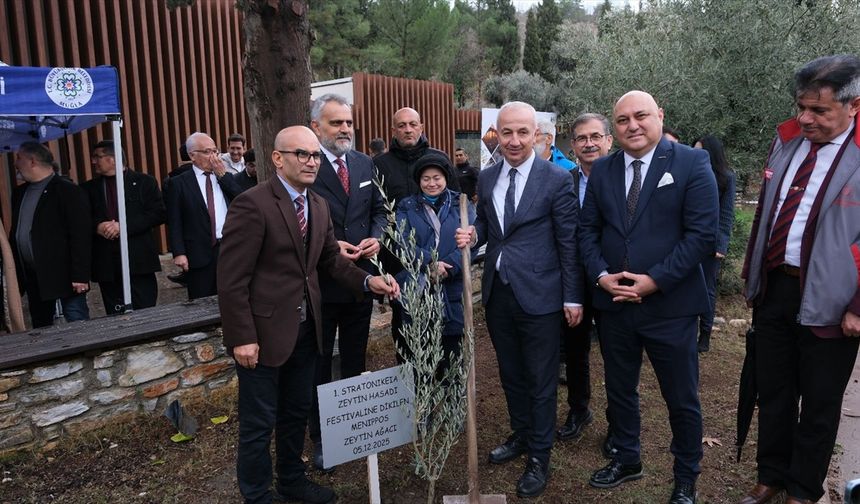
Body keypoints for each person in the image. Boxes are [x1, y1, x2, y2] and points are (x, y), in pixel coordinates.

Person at [217, 126, 398, 504]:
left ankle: (291, 481)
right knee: (258, 422)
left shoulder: (317, 205)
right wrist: (242, 337)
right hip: (263, 335)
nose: (312, 162)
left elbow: (331, 260)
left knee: (295, 412)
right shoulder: (252, 204)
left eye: (315, 155)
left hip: (307, 331)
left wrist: (369, 282)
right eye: (302, 154)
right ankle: (257, 494)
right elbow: (232, 280)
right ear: (277, 158)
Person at [579, 91, 718, 504]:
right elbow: (587, 231)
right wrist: (601, 276)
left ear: (659, 115)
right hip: (615, 305)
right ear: (614, 127)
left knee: (681, 397)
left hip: (670, 306)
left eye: (640, 116)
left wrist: (654, 280)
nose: (632, 125)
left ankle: (686, 477)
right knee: (620, 390)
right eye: (622, 120)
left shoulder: (692, 163)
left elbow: (701, 236)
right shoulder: (603, 170)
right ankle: (627, 458)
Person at [739, 54, 860, 504]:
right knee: (773, 390)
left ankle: (803, 490)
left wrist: (859, 306)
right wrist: (754, 278)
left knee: (820, 403)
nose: (805, 118)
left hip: (834, 299)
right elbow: (765, 216)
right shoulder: (787, 141)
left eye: (819, 110)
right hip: (776, 288)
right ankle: (770, 476)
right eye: (801, 107)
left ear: (853, 106)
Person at [455, 101, 582, 498]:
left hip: (541, 295)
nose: (513, 140)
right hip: (498, 293)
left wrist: (573, 297)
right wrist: (474, 234)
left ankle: (540, 456)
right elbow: (486, 223)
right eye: (506, 132)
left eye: (522, 132)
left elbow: (568, 242)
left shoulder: (556, 179)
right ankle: (522, 433)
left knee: (541, 379)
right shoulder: (488, 176)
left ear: (537, 135)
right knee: (510, 372)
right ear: (496, 133)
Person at [307, 93, 387, 472]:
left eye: (349, 122)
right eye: (336, 122)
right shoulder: (307, 166)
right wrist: (327, 243)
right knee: (319, 364)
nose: (345, 129)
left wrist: (377, 237)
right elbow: (297, 219)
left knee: (355, 358)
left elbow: (379, 211)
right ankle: (321, 438)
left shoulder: (364, 163)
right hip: (321, 284)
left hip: (361, 282)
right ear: (316, 126)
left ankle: (352, 429)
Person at [375, 107, 460, 360]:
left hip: (444, 265)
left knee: (447, 335)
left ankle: (445, 379)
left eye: (413, 124)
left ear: (421, 127)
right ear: (394, 130)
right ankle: (411, 382)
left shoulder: (439, 158)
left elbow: (456, 205)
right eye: (401, 125)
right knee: (407, 331)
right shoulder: (380, 164)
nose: (408, 129)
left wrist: (447, 261)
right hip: (401, 264)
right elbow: (377, 212)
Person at [557, 113, 615, 451]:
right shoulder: (563, 181)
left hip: (612, 279)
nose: (589, 143)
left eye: (595, 136)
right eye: (581, 138)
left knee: (615, 355)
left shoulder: (625, 178)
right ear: (573, 145)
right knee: (575, 350)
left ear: (609, 140)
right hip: (574, 281)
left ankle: (618, 423)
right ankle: (579, 410)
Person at [394, 153, 475, 371]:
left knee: (452, 357)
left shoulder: (461, 203)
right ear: (419, 181)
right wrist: (431, 263)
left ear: (446, 178)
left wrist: (449, 267)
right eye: (426, 178)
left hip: (453, 288)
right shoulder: (406, 206)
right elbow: (402, 242)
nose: (432, 183)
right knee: (421, 356)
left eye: (437, 178)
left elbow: (471, 243)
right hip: (420, 288)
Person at [10, 142, 91, 328]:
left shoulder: (67, 190)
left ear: (32, 161)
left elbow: (80, 235)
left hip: (65, 276)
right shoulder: (20, 193)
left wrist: (80, 275)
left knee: (77, 323)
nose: (15, 164)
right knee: (41, 328)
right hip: (33, 276)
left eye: (19, 158)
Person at [82, 140, 166, 314]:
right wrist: (98, 227)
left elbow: (157, 214)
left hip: (139, 261)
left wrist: (123, 226)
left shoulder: (144, 182)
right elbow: (81, 219)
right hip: (107, 264)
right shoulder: (88, 188)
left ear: (113, 159)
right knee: (116, 315)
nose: (93, 161)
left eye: (97, 157)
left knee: (145, 312)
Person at [166, 132, 242, 299]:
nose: (213, 157)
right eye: (207, 152)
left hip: (227, 249)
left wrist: (223, 176)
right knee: (201, 299)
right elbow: (174, 220)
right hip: (198, 252)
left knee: (231, 298)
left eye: (215, 151)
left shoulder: (226, 178)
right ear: (192, 155)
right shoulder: (178, 183)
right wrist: (179, 252)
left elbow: (242, 201)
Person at [692, 135, 735, 353]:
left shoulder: (726, 177)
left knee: (707, 289)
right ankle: (688, 331)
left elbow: (726, 213)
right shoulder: (690, 174)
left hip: (710, 245)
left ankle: (705, 334)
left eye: (701, 151)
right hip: (689, 241)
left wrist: (721, 245)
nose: (697, 155)